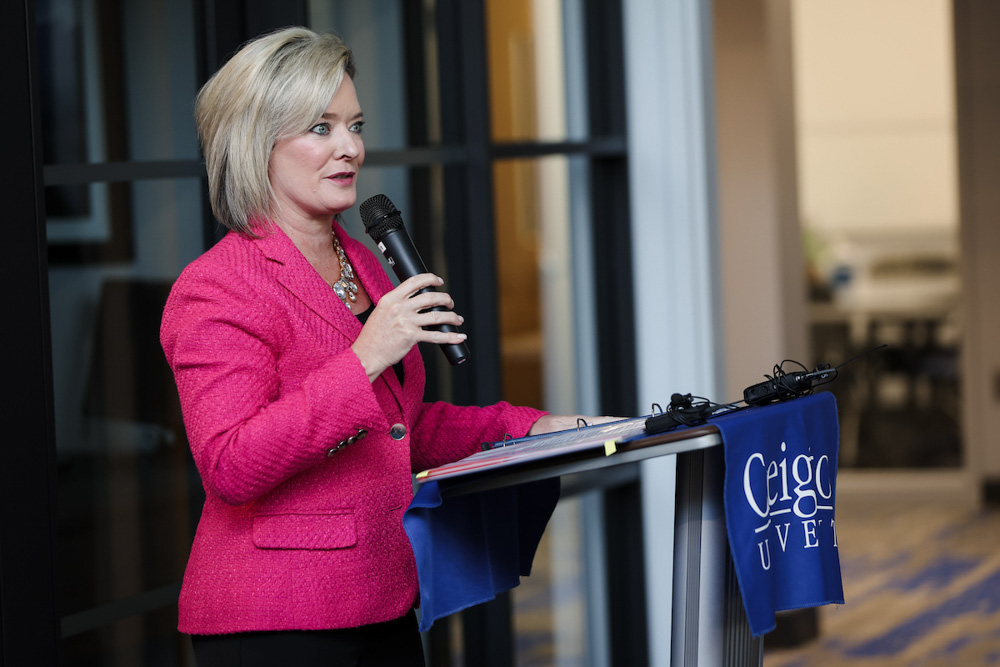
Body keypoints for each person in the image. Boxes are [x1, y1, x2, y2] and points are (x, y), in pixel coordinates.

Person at [160, 26, 611, 666]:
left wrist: (536, 427)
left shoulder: (365, 264)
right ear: (256, 141)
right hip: (278, 623)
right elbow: (230, 465)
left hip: (386, 596)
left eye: (355, 124)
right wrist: (366, 356)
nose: (350, 148)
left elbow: (400, 428)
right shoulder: (217, 289)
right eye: (321, 128)